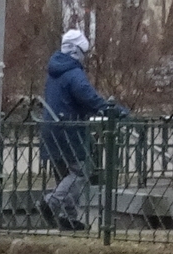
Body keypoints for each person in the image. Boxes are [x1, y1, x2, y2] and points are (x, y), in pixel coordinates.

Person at [40, 28, 124, 230]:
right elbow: (89, 98)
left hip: (50, 128)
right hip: (69, 129)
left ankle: (69, 217)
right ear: (78, 52)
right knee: (80, 171)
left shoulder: (54, 71)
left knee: (64, 175)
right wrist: (115, 111)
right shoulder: (73, 73)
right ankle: (50, 202)